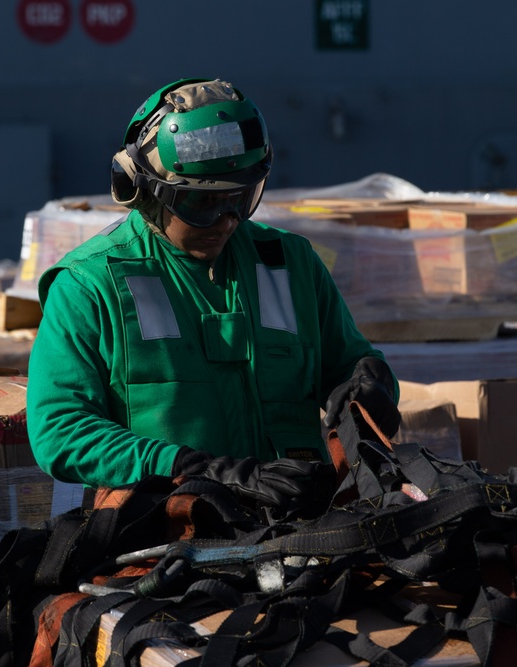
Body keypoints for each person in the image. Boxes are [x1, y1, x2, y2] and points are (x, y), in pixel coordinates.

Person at [26, 77, 401, 512]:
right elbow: (60, 430)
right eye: (201, 206)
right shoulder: (91, 284)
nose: (226, 221)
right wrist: (190, 467)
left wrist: (370, 385)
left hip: (300, 523)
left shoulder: (289, 264)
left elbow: (348, 365)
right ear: (144, 189)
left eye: (241, 199)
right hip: (171, 531)